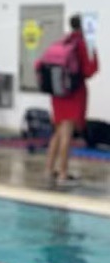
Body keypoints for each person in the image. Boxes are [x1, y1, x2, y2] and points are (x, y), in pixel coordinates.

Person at [44, 14, 99, 187]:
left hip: (58, 94)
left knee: (58, 132)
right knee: (67, 133)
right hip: (73, 94)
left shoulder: (62, 41)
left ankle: (49, 170)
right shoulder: (82, 44)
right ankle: (63, 173)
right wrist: (93, 52)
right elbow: (90, 70)